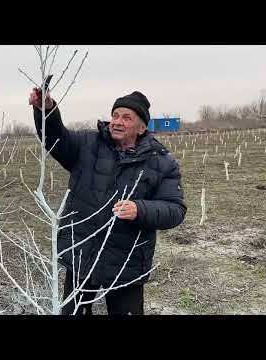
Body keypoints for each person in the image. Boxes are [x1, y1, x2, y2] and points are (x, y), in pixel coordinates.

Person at [28, 87, 187, 315]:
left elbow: (175, 209)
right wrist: (46, 109)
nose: (117, 121)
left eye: (126, 117)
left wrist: (140, 209)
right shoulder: (87, 145)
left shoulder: (161, 162)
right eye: (115, 115)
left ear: (142, 128)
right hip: (83, 253)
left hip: (127, 262)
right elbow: (55, 139)